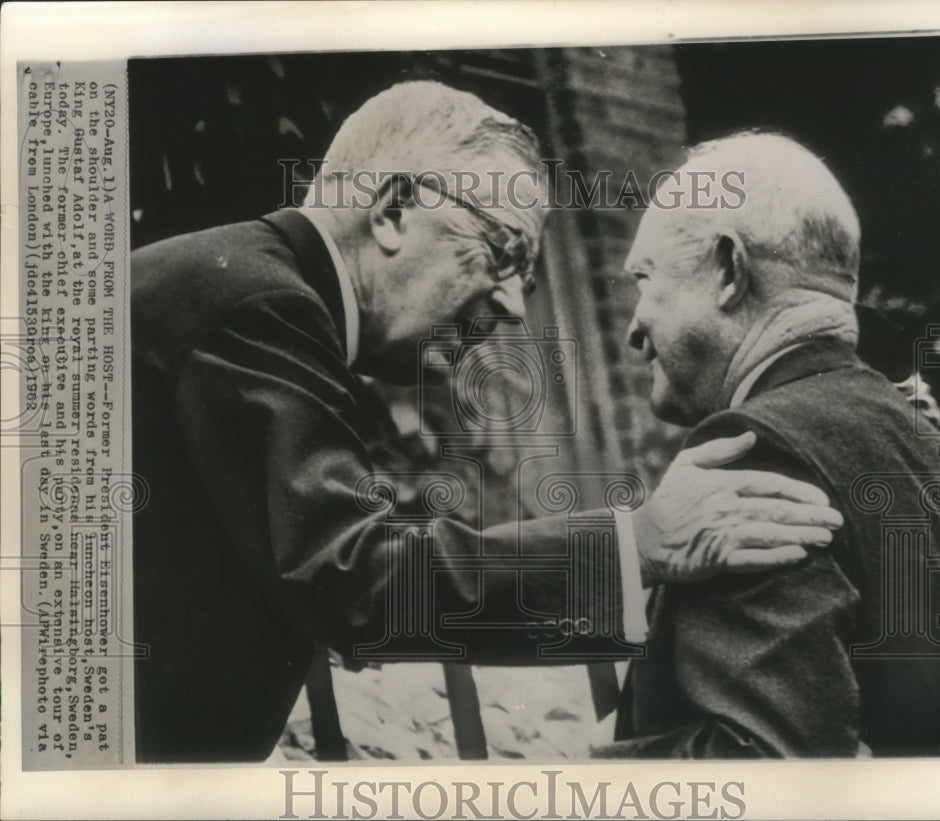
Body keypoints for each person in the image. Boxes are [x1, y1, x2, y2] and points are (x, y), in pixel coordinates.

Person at [130, 84, 841, 762]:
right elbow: (354, 583)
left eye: (529, 278)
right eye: (502, 252)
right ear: (394, 210)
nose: (511, 308)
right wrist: (641, 544)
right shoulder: (257, 306)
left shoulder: (252, 289)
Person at [610, 131, 940, 757]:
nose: (633, 329)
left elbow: (765, 773)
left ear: (729, 269)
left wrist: (588, 772)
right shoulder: (927, 440)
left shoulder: (752, 447)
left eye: (644, 280)